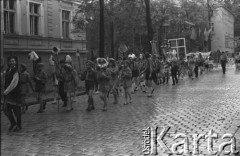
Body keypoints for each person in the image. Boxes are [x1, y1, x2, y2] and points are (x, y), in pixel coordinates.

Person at [3, 56, 22, 132]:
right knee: (6, 109)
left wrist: (6, 91)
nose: (12, 62)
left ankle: (19, 125)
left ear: (16, 62)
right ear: (8, 62)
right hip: (8, 93)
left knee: (16, 110)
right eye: (10, 61)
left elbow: (14, 83)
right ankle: (13, 123)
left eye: (13, 61)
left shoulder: (16, 71)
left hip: (15, 93)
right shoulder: (7, 70)